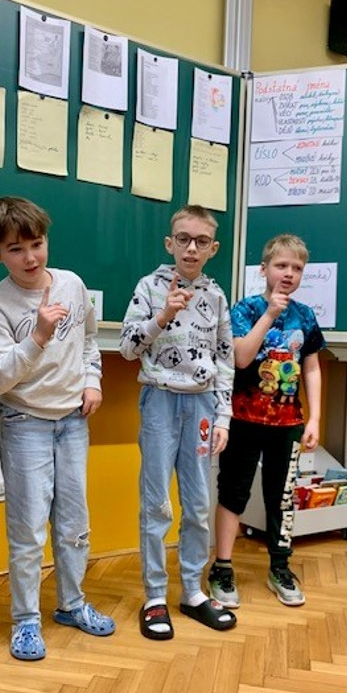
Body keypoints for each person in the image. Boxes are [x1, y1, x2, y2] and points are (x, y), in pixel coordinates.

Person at [0, 196, 115, 662]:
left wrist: (92, 380)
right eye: (16, 249)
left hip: (73, 421)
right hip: (25, 423)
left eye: (36, 244)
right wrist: (36, 337)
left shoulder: (71, 285)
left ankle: (72, 604)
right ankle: (26, 620)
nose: (30, 257)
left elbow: (90, 340)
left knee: (75, 524)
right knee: (28, 530)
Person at [120, 204, 236, 640]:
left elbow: (225, 360)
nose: (191, 248)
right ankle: (154, 595)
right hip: (160, 402)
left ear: (213, 248)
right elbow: (128, 348)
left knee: (199, 503)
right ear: (170, 243)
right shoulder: (149, 288)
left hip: (203, 406)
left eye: (201, 241)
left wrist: (223, 416)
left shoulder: (217, 296)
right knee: (156, 502)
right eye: (183, 239)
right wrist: (162, 316)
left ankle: (192, 591)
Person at [208, 233, 325, 609]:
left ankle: (280, 566)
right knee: (233, 493)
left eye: (297, 268)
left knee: (282, 498)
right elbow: (241, 357)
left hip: (287, 423)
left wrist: (314, 418)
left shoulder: (305, 316)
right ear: (264, 269)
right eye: (281, 265)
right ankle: (222, 568)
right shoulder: (245, 309)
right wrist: (271, 314)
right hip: (243, 419)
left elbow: (312, 367)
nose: (289, 273)